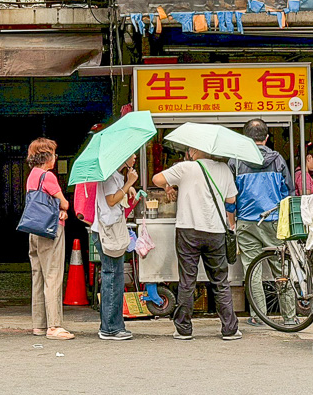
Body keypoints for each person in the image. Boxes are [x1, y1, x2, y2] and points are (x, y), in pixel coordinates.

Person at [152, 147, 241, 341]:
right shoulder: (224, 169)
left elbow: (156, 179)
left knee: (187, 281)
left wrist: (168, 186)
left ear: (193, 150)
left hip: (188, 230)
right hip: (215, 231)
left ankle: (184, 329)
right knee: (220, 281)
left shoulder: (185, 168)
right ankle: (230, 329)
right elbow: (231, 199)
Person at [232, 119, 296, 327]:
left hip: (246, 223)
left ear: (245, 139)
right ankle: (290, 317)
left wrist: (232, 219)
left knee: (252, 270)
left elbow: (230, 196)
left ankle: (259, 316)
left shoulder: (236, 161)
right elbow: (288, 192)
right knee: (281, 268)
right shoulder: (277, 160)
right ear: (267, 138)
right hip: (274, 221)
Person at [24, 138, 74, 341]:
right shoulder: (48, 176)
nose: (55, 157)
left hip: (34, 230)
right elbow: (64, 203)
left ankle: (39, 324)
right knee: (53, 275)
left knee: (38, 276)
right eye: (53, 154)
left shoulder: (32, 175)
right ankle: (54, 326)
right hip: (50, 230)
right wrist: (63, 208)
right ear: (47, 156)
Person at [94, 153, 138, 341]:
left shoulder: (115, 175)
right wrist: (129, 183)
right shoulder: (110, 175)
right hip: (108, 231)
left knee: (114, 276)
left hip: (110, 230)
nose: (135, 157)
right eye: (132, 154)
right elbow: (111, 200)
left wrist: (127, 186)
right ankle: (110, 328)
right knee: (112, 276)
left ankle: (112, 325)